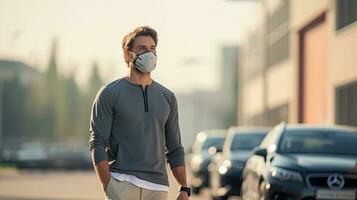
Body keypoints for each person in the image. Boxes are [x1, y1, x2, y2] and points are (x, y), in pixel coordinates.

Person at [89, 26, 190, 200]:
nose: (149, 54)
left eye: (152, 49)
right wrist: (109, 186)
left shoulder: (167, 97)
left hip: (158, 188)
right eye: (142, 49)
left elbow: (175, 148)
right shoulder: (109, 93)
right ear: (127, 55)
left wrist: (184, 188)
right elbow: (97, 143)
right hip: (122, 183)